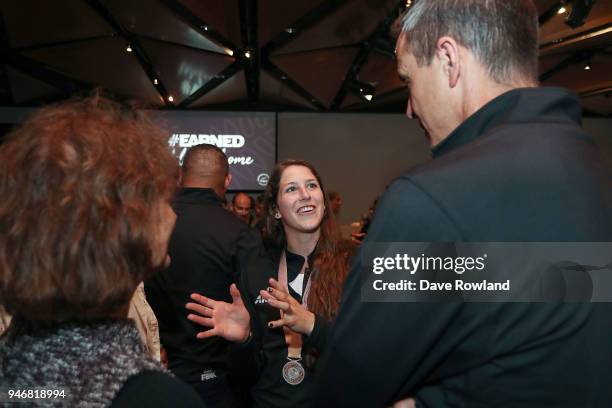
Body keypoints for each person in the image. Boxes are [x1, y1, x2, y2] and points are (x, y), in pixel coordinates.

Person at [315, 1, 612, 407]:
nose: (409, 108)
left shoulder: (429, 201)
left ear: (449, 59)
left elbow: (345, 394)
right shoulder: (593, 170)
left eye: (408, 81)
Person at [0, 96, 203, 407]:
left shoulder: (14, 363)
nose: (172, 215)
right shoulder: (154, 398)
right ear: (121, 229)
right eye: (161, 196)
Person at [186, 159, 349, 408]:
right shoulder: (257, 270)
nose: (305, 195)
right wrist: (244, 340)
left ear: (324, 202)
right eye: (291, 189)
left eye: (312, 186)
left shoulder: (356, 264)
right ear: (275, 209)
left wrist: (312, 325)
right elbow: (247, 377)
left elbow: (371, 354)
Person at [145, 144, 262, 407]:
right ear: (228, 180)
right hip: (216, 383)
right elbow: (255, 316)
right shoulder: (241, 235)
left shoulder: (151, 226)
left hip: (152, 376)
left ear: (179, 176)